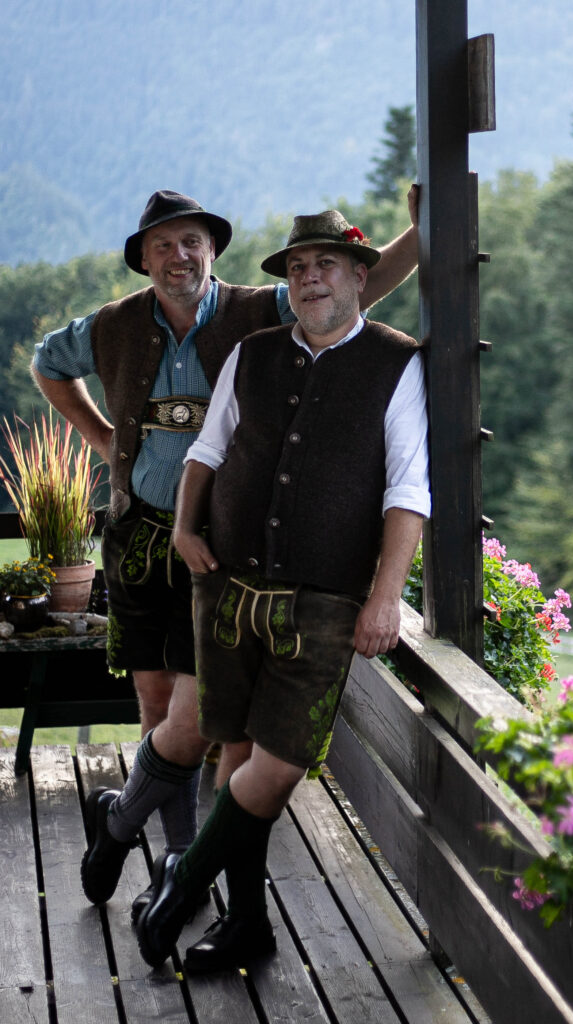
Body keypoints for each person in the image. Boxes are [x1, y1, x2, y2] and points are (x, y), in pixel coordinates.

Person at [30, 188, 419, 919]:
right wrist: (100, 437)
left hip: (222, 547)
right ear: (142, 259)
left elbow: (345, 292)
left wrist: (420, 235)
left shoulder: (258, 310)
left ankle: (157, 846)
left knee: (200, 713)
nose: (179, 256)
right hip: (140, 534)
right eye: (163, 245)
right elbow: (47, 364)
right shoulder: (112, 324)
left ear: (212, 249)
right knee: (155, 702)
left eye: (191, 242)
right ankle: (163, 851)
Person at [135, 208, 429, 971]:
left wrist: (386, 596)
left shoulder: (397, 362)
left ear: (360, 276)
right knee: (234, 756)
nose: (310, 278)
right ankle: (247, 926)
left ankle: (181, 884)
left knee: (279, 766)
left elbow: (407, 492)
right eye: (298, 268)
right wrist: (183, 526)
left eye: (326, 265)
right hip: (227, 589)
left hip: (325, 603)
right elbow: (207, 447)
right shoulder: (254, 352)